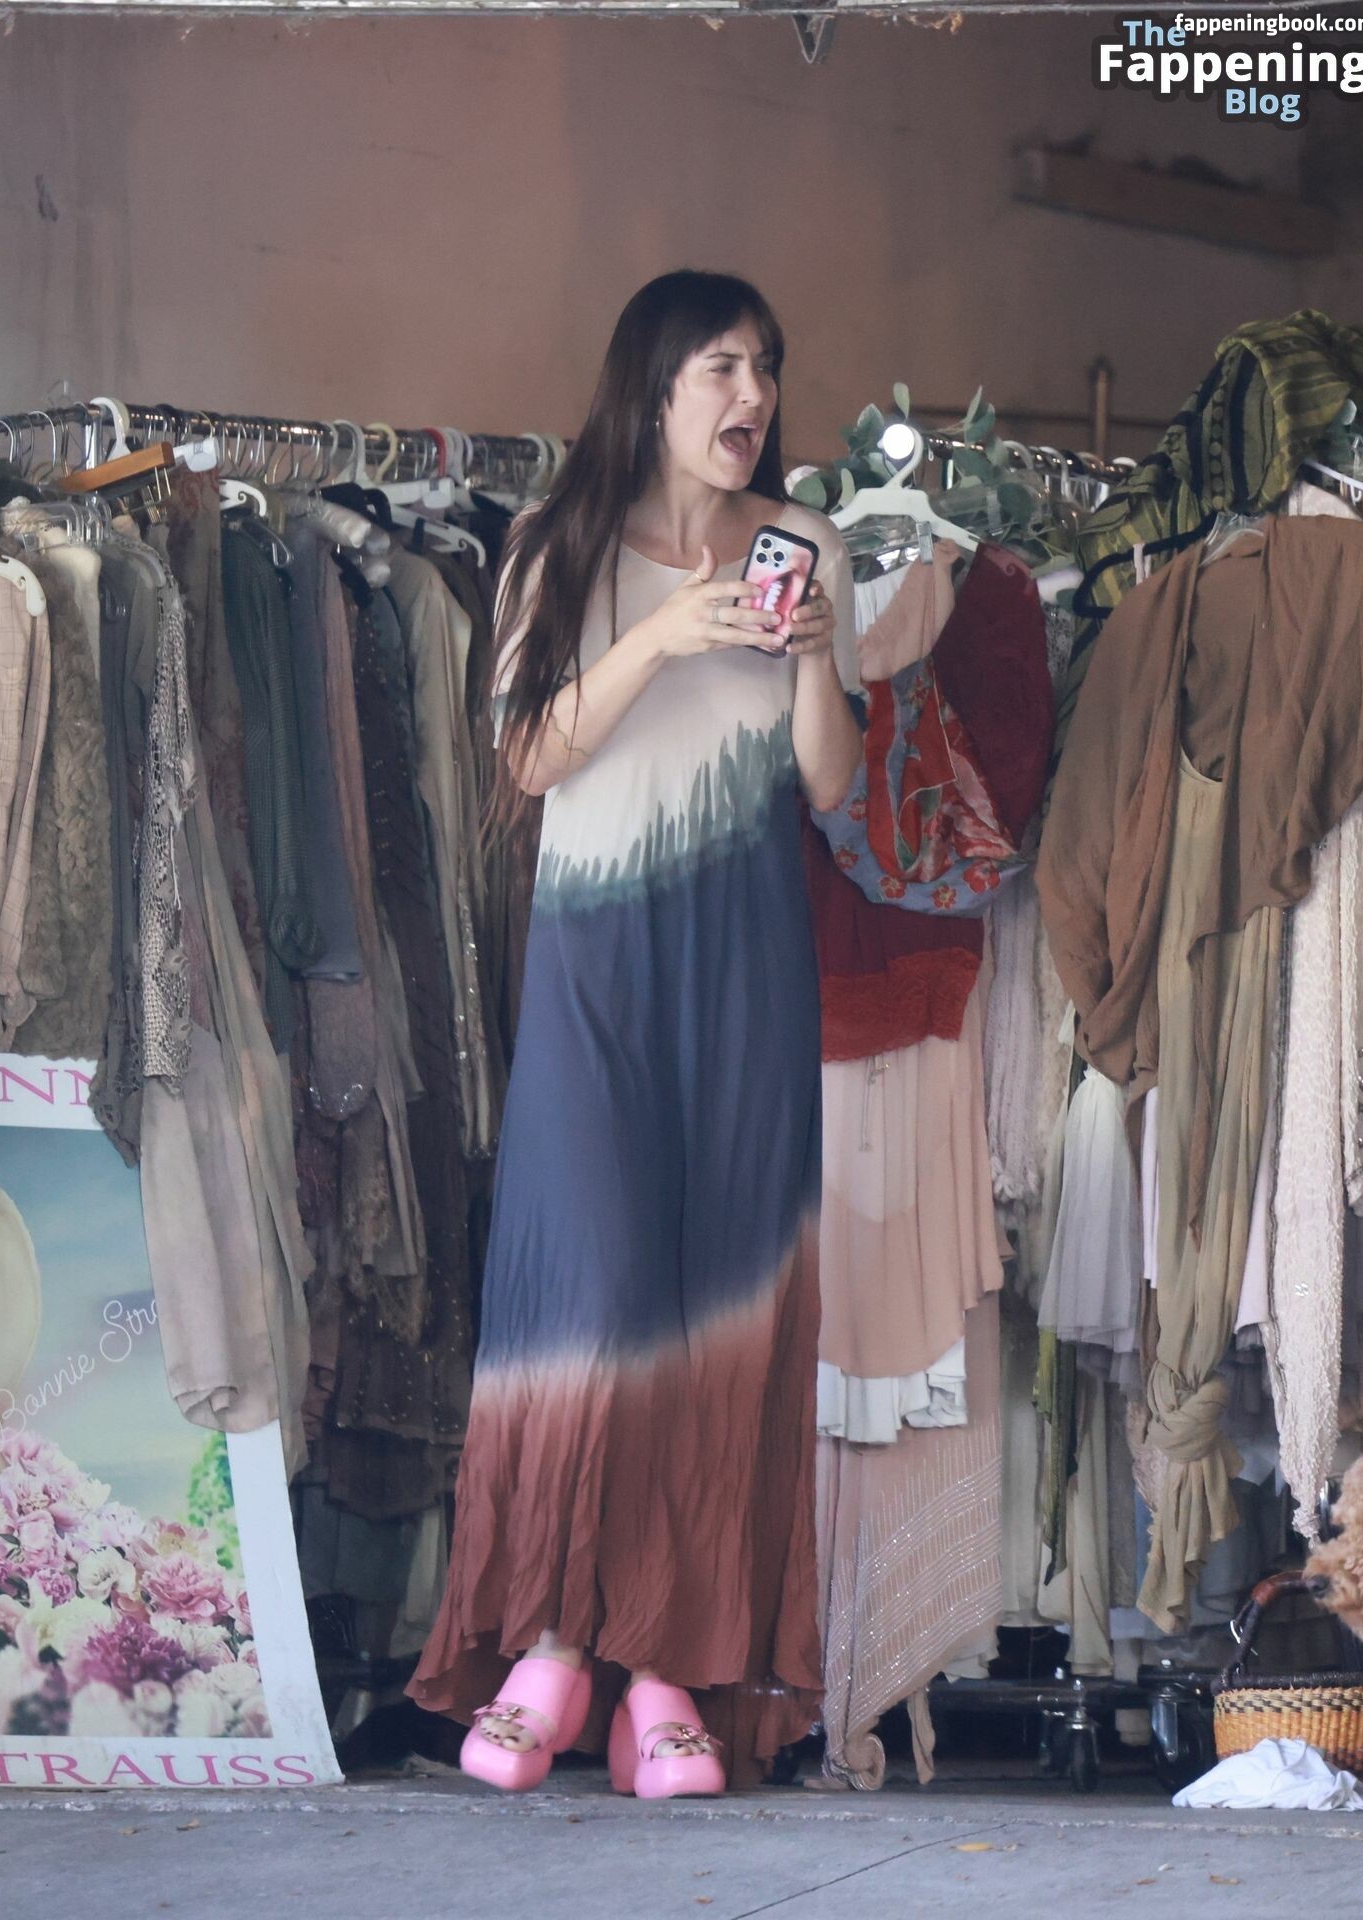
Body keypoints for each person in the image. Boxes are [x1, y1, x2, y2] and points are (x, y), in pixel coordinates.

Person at [408, 269, 863, 1797]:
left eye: (766, 367)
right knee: (590, 1293)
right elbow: (530, 755)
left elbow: (831, 787)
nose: (752, 396)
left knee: (713, 1317)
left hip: (747, 968)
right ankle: (549, 1643)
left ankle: (665, 1671)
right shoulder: (558, 543)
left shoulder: (807, 546)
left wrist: (812, 652)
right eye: (721, 366)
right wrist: (665, 631)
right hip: (599, 966)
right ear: (652, 385)